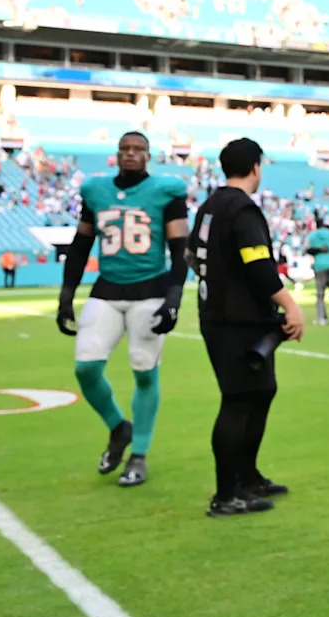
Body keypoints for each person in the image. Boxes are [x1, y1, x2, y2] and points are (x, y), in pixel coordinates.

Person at [55, 131, 189, 488]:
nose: (130, 154)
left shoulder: (166, 190)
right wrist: (66, 296)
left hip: (150, 291)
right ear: (116, 154)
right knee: (86, 367)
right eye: (125, 149)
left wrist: (174, 298)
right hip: (107, 289)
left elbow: (180, 248)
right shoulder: (95, 190)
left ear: (149, 155)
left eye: (138, 149)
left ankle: (139, 454)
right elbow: (81, 244)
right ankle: (118, 427)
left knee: (144, 370)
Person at [189, 138, 305, 516]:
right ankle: (227, 494)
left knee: (262, 392)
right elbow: (258, 265)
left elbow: (191, 255)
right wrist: (290, 305)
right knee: (238, 400)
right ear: (256, 167)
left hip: (221, 315)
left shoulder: (209, 207)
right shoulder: (242, 209)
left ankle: (247, 477)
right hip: (238, 321)